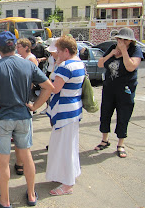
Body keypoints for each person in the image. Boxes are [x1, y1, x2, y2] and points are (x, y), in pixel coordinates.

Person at [0, 31, 53, 208]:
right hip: (23, 116)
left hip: (2, 117)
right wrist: (35, 106)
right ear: (14, 46)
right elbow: (49, 87)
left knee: (3, 161)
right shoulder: (28, 64)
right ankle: (31, 195)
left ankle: (5, 200)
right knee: (27, 156)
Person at [44, 36, 85, 196]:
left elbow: (54, 88)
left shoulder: (66, 66)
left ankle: (67, 183)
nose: (57, 54)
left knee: (64, 147)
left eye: (59, 51)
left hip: (64, 111)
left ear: (66, 51)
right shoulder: (79, 63)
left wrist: (42, 82)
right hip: (72, 109)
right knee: (68, 146)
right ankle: (67, 176)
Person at [95, 28, 143, 158]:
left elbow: (130, 66)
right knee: (105, 113)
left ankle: (121, 144)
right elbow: (100, 64)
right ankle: (104, 140)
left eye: (124, 40)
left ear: (130, 41)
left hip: (125, 89)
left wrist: (123, 52)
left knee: (123, 115)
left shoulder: (135, 50)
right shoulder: (112, 48)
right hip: (109, 87)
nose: (121, 42)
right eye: (119, 39)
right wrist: (111, 54)